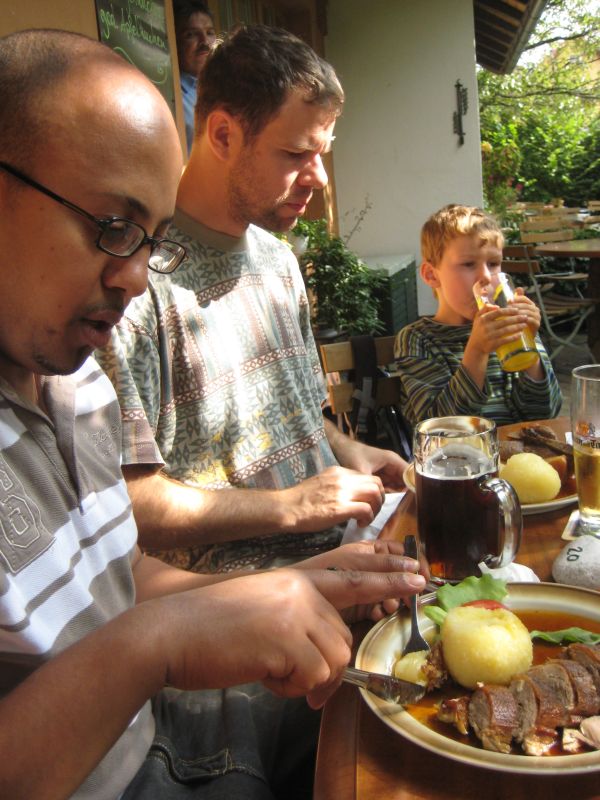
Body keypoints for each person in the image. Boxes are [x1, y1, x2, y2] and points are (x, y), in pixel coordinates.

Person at [0, 28, 427, 800]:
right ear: (224, 134)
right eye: (113, 225)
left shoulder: (68, 385)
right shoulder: (96, 329)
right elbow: (142, 557)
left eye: (153, 240)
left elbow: (118, 572)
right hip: (170, 704)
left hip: (196, 680)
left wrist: (309, 561)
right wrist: (168, 635)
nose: (135, 276)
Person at [96, 25, 408, 574]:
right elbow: (129, 504)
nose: (318, 178)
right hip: (247, 602)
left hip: (346, 555)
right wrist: (291, 507)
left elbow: (299, 414)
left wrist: (347, 450)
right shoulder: (136, 284)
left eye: (323, 152)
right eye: (296, 153)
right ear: (223, 135)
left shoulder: (279, 261)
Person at [393, 204, 562, 428]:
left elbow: (546, 413)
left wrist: (530, 353)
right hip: (462, 451)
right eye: (468, 264)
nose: (486, 276)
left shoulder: (510, 326)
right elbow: (439, 429)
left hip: (518, 449)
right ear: (432, 275)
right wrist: (477, 351)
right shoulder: (418, 339)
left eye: (493, 264)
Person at [173, 0, 217, 154]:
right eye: (191, 35)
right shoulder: (172, 95)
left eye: (209, 33)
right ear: (174, 42)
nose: (205, 42)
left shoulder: (228, 86)